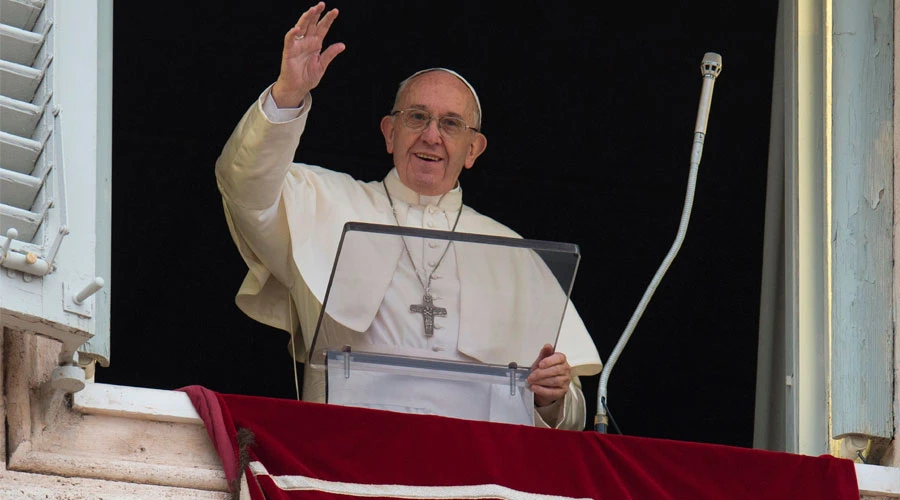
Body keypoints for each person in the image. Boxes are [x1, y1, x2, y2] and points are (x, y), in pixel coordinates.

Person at [215, 2, 602, 429]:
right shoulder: (321, 200)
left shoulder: (513, 252)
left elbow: (570, 413)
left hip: (475, 477)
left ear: (473, 149)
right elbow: (244, 183)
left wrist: (552, 399)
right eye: (417, 117)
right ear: (389, 132)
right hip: (349, 460)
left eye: (451, 124)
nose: (432, 136)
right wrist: (288, 93)